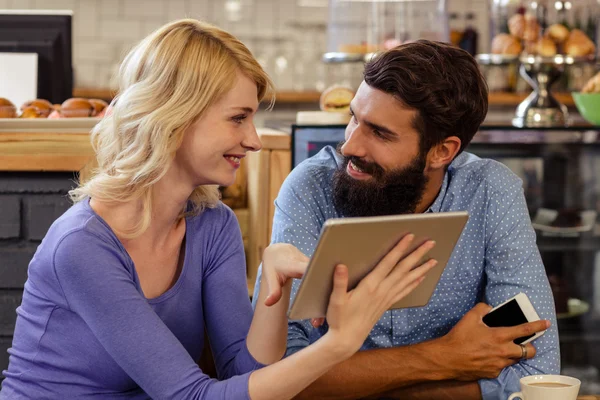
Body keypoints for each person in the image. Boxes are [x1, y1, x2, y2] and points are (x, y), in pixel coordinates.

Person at [0, 20, 438, 400]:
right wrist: (340, 343)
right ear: (174, 116)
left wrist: (273, 285)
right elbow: (194, 396)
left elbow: (245, 377)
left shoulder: (212, 225)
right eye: (237, 118)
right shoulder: (82, 247)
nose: (254, 139)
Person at [252, 40, 560, 400]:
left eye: (380, 133)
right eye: (354, 117)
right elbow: (274, 375)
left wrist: (360, 384)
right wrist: (445, 358)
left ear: (442, 152)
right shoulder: (310, 187)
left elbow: (537, 373)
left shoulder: (491, 191)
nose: (350, 145)